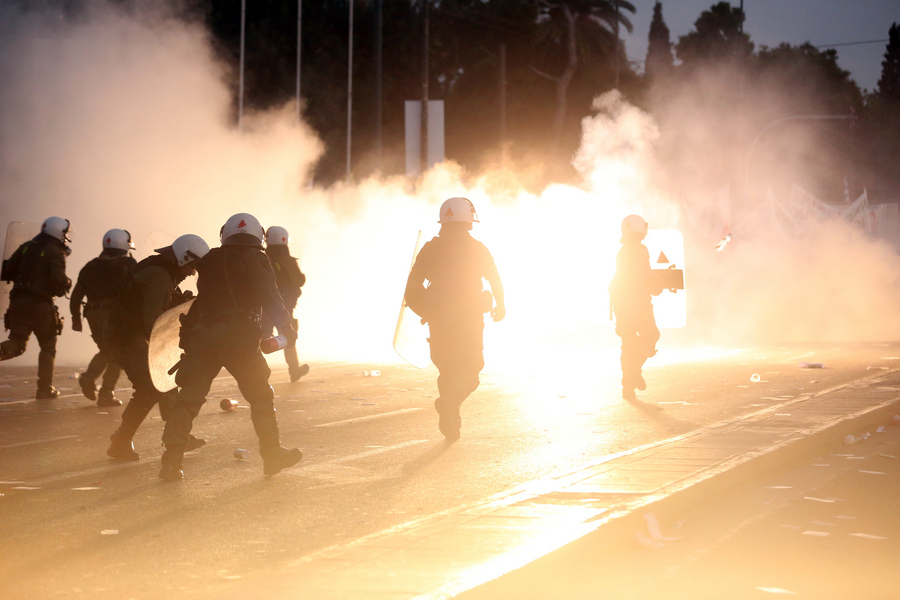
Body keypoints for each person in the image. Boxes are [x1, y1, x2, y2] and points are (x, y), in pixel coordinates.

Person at [160, 213, 300, 481]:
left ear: (225, 234)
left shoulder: (210, 258)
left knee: (188, 400)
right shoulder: (257, 258)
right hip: (240, 338)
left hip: (204, 336)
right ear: (257, 236)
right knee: (260, 396)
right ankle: (272, 456)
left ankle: (170, 462)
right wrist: (286, 329)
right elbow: (270, 296)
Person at [404, 197, 505, 441]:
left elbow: (412, 286)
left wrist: (425, 310)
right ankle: (449, 404)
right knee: (470, 372)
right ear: (469, 220)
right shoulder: (477, 248)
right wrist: (500, 305)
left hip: (439, 323)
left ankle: (451, 424)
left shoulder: (431, 248)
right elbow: (494, 278)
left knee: (447, 371)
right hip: (469, 322)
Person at [105, 234, 209, 461]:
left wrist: (176, 303)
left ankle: (178, 435)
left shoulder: (161, 270)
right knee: (151, 386)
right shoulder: (158, 276)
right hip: (126, 337)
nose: (192, 272)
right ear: (183, 257)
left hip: (127, 334)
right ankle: (121, 441)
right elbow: (152, 320)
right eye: (192, 266)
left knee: (165, 380)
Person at [0, 217, 72, 400]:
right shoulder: (56, 252)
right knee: (48, 346)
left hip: (17, 303)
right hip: (40, 304)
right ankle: (44, 389)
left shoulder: (26, 247)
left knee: (16, 344)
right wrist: (67, 283)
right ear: (58, 232)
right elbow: (58, 282)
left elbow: (7, 271)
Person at [70, 229, 137, 407]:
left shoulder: (90, 265)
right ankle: (106, 393)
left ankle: (89, 377)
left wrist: (76, 319)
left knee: (107, 349)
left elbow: (76, 295)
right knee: (119, 354)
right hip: (113, 315)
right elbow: (136, 290)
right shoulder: (128, 264)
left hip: (92, 314)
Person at [608, 214, 661, 401]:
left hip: (622, 304)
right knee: (651, 337)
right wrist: (658, 285)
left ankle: (628, 385)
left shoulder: (622, 252)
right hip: (638, 303)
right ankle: (633, 373)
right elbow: (644, 276)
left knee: (628, 343)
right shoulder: (640, 250)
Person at [262, 226, 309, 382]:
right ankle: (294, 370)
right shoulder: (286, 260)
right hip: (283, 308)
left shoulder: (262, 258)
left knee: (260, 337)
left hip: (264, 306)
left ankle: (248, 370)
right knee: (288, 337)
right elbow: (299, 280)